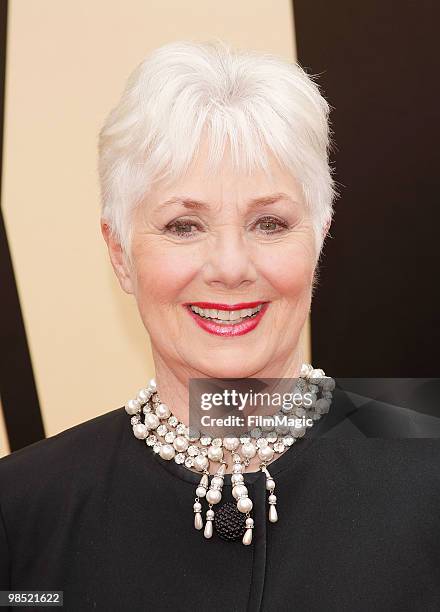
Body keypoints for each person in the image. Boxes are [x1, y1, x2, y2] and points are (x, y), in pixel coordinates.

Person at [1, 40, 439, 611]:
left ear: (320, 238)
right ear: (119, 254)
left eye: (270, 223)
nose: (231, 268)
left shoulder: (426, 472)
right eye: (184, 226)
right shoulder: (23, 510)